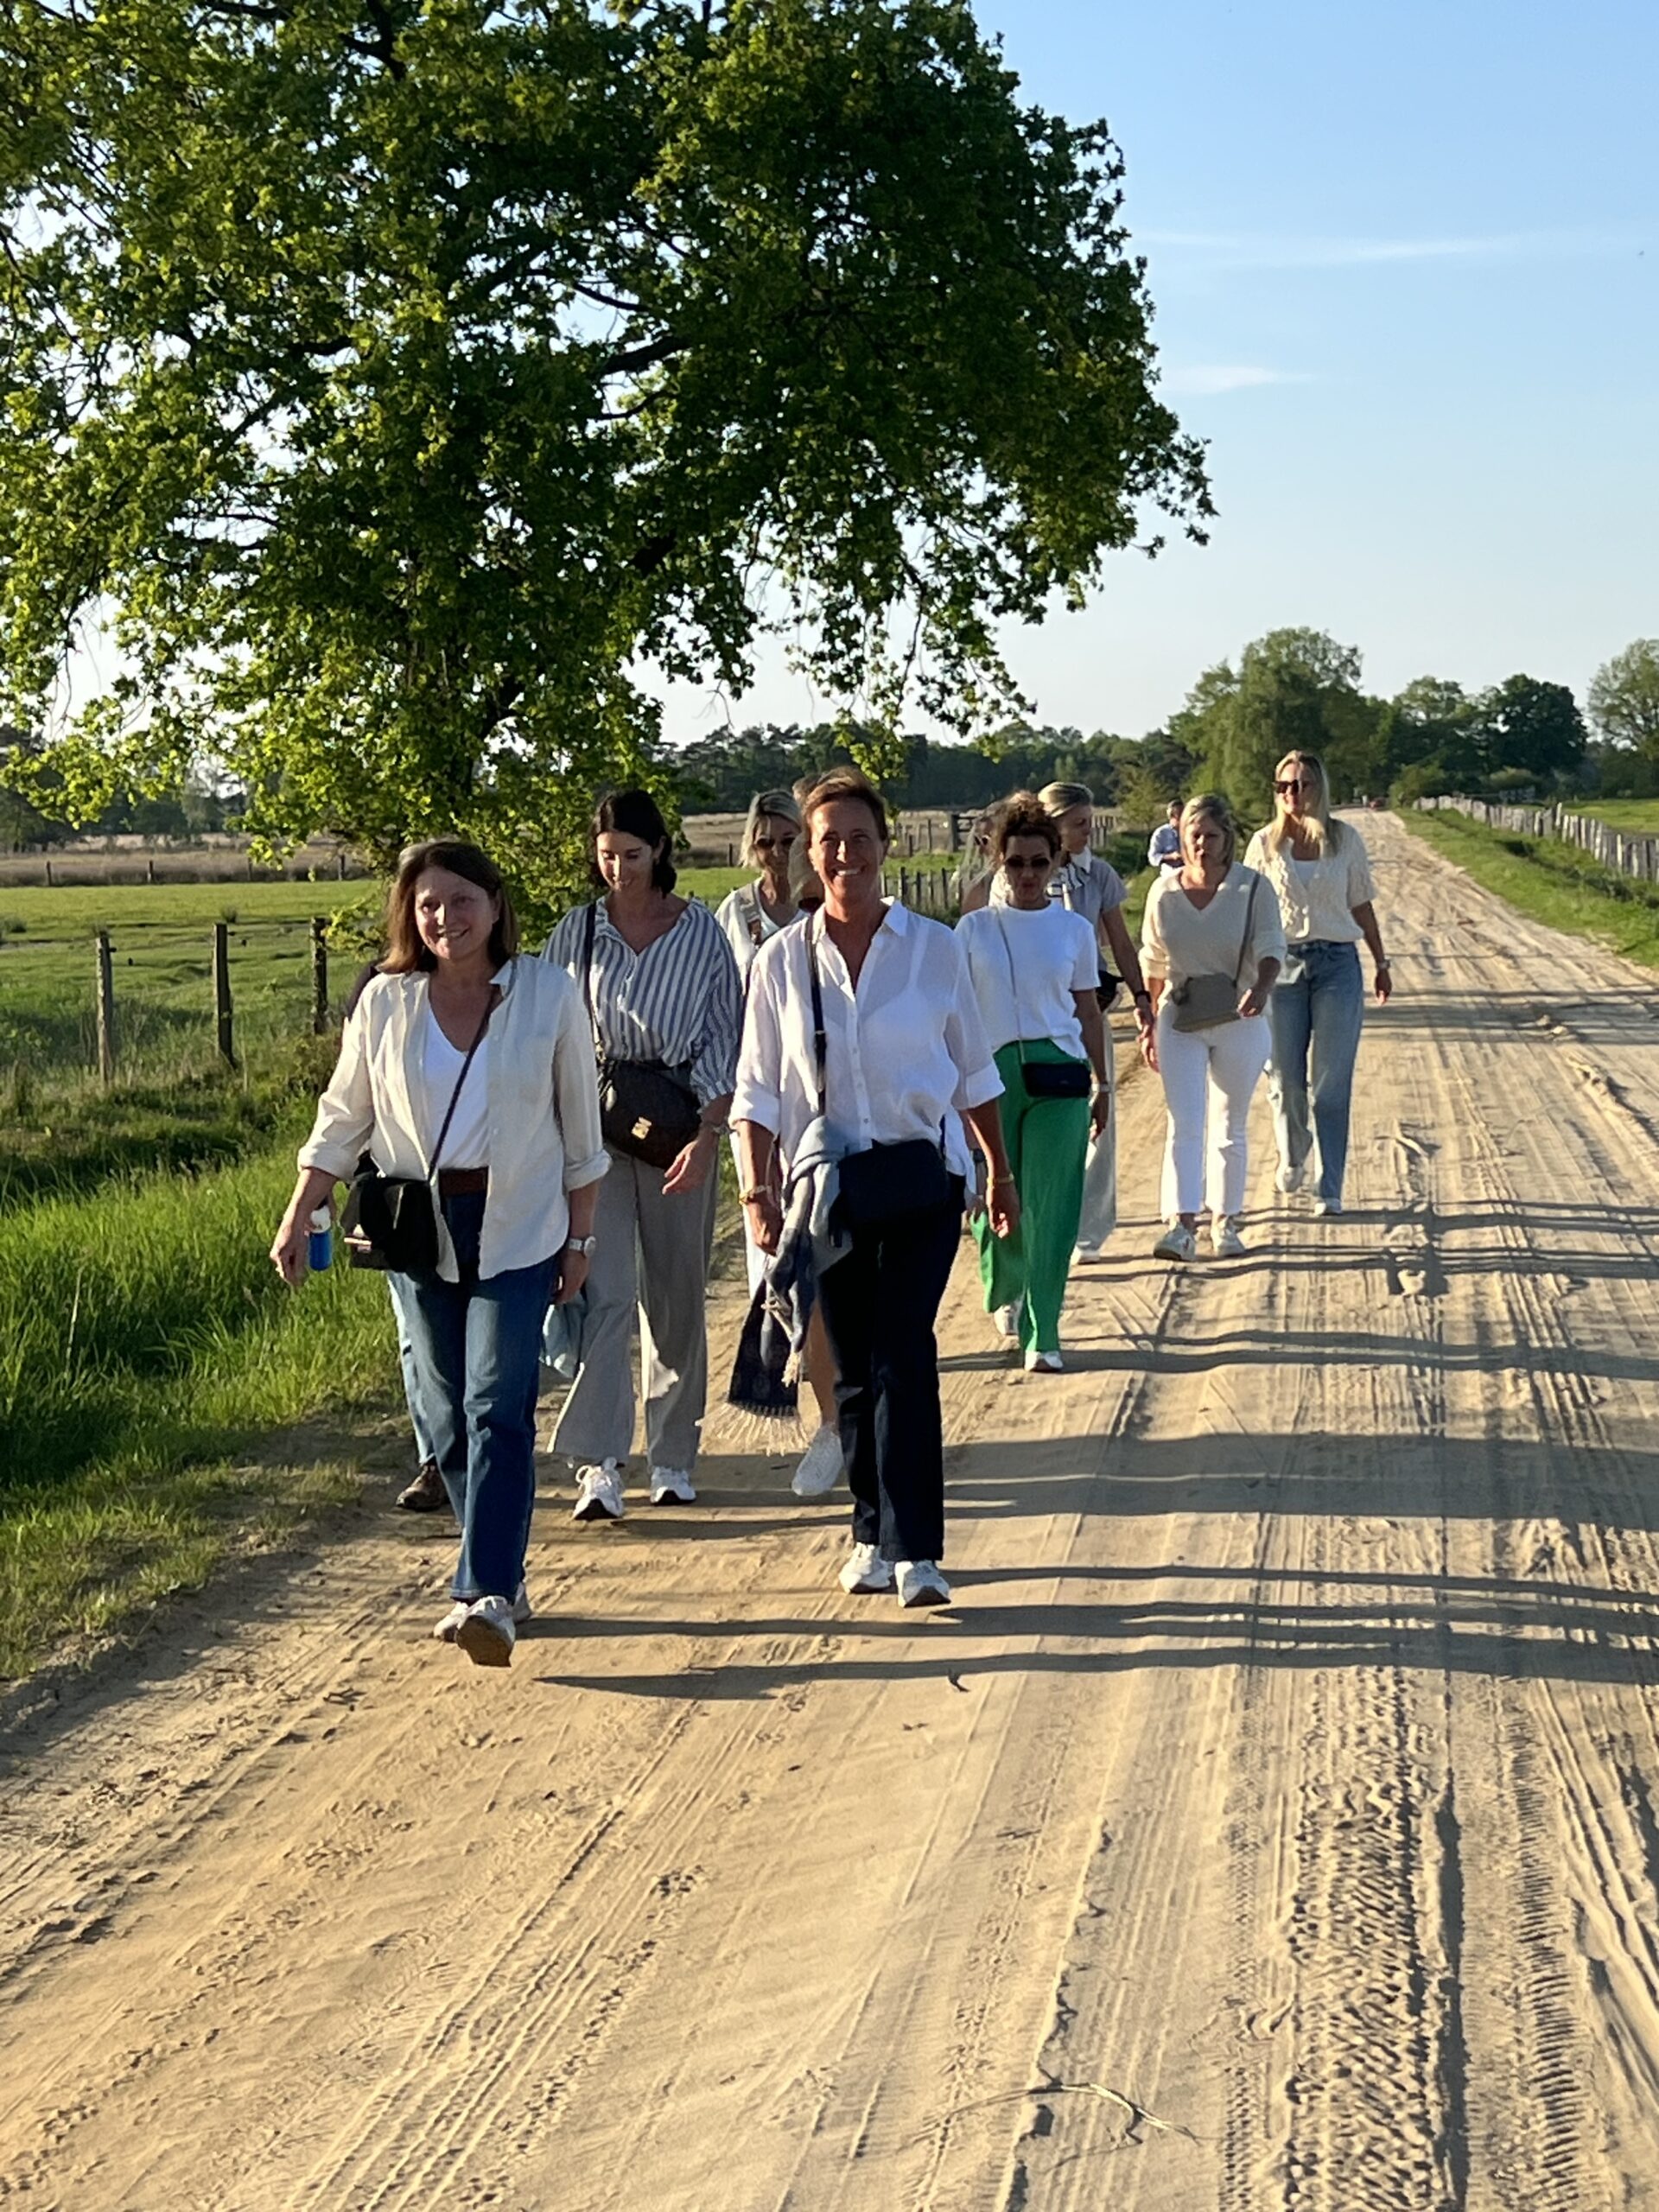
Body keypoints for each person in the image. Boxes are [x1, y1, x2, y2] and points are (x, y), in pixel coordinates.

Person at [270, 840, 606, 1667]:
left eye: (461, 901)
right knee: (444, 1411)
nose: (446, 919)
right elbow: (343, 1117)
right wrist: (298, 1209)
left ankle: (484, 1591)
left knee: (499, 1405)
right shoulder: (385, 1003)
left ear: (494, 906)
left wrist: (581, 1235)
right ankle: (500, 1566)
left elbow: (581, 1131)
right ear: (409, 917)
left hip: (521, 1224)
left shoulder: (547, 995)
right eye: (428, 906)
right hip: (419, 1229)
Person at [733, 766, 1018, 1609]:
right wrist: (757, 1195)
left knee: (904, 1353)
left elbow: (972, 1071)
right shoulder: (783, 962)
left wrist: (998, 1171)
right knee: (851, 1368)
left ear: (886, 845)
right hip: (826, 1191)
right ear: (808, 855)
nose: (846, 854)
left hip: (921, 1180)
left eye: (861, 838)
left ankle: (918, 1550)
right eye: (830, 842)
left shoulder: (936, 949)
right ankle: (868, 1530)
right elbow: (755, 1093)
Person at [543, 789, 742, 1521]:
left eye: (631, 855)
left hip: (679, 1127)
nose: (619, 870)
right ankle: (599, 1460)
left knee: (676, 1293)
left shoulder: (701, 935)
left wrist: (708, 1132)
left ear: (660, 850)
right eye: (606, 858)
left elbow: (728, 1034)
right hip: (596, 1131)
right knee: (604, 1291)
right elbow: (549, 1031)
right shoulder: (577, 932)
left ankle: (674, 1454)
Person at [715, 789, 842, 1497]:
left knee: (827, 1269)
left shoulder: (828, 914)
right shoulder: (733, 916)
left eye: (790, 840)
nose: (779, 854)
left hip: (822, 1108)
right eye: (766, 842)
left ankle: (836, 1416)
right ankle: (810, 1396)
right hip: (757, 1102)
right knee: (778, 1273)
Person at [956, 794, 1109, 1371]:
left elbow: (1088, 1011)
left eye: (1038, 863)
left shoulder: (1072, 930)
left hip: (1060, 1076)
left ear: (1056, 863)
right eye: (1015, 863)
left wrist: (1104, 1086)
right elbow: (956, 1012)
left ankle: (1045, 1332)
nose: (1026, 875)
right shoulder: (972, 930)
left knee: (1052, 1206)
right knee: (999, 1195)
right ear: (1000, 863)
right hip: (991, 1075)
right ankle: (1005, 1281)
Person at [1244, 751, 1392, 1217]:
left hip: (1336, 966)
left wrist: (1381, 960)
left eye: (1303, 784)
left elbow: (1361, 903)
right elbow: (1247, 910)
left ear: (1320, 788)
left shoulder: (1346, 840)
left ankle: (1330, 1186)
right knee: (1285, 1075)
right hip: (1280, 966)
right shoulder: (1264, 844)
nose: (1294, 794)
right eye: (1285, 786)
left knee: (1331, 1083)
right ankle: (1293, 1150)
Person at [1141, 795, 1285, 1262]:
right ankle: (1181, 1224)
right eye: (1194, 836)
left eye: (1211, 836)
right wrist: (1145, 1020)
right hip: (1180, 1015)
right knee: (1185, 1121)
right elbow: (1154, 959)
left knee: (1229, 1123)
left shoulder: (1252, 889)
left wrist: (1261, 988)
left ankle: (1226, 1220)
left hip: (1239, 1015)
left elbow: (1270, 946)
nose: (1202, 844)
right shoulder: (1163, 893)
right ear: (1181, 839)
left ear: (1228, 841)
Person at [1147, 799, 1184, 872]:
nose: (1183, 817)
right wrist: (1171, 857)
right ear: (1172, 816)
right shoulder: (1161, 833)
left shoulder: (1190, 830)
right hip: (1170, 875)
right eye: (1180, 815)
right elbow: (1153, 858)